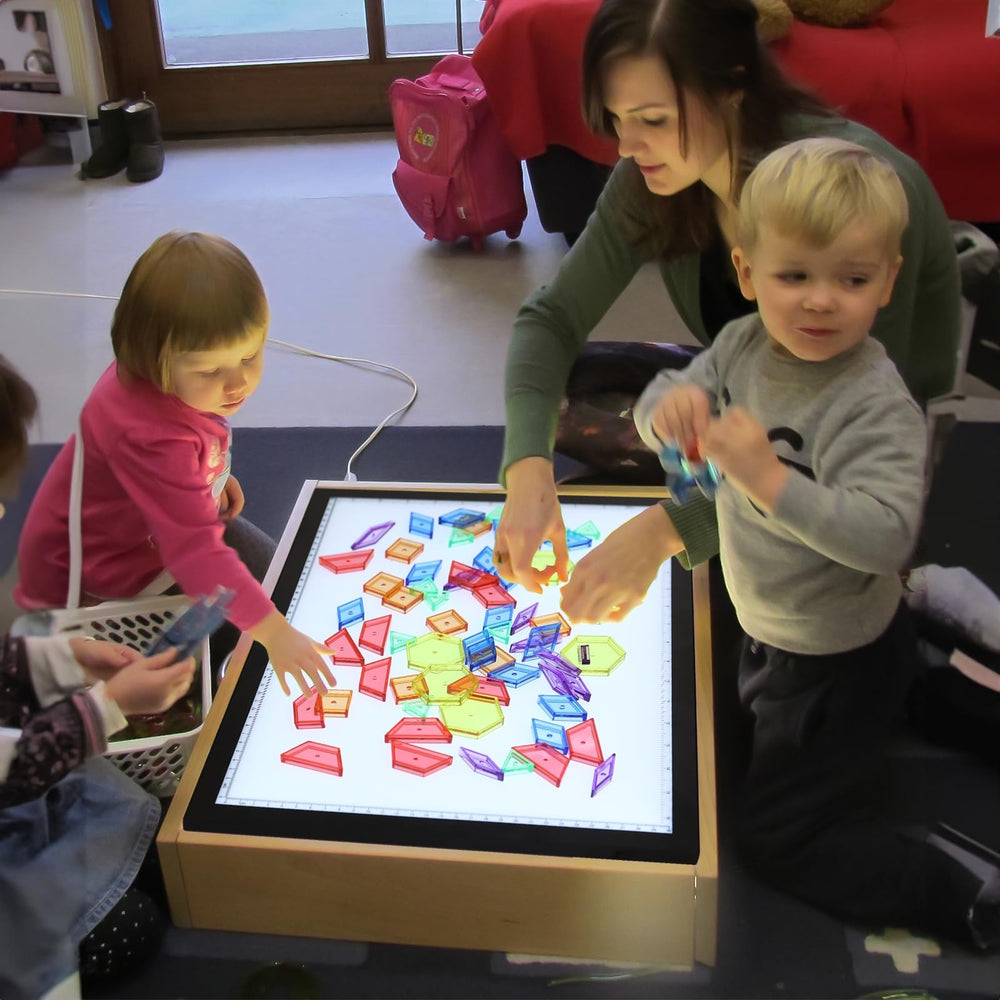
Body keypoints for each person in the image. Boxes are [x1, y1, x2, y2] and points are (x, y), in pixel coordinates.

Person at [630, 135, 999, 950]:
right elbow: (664, 396)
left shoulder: (874, 401)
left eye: (852, 279)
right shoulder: (740, 347)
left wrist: (767, 481)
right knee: (715, 732)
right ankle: (933, 692)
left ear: (888, 282)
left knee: (776, 835)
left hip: (833, 655)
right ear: (747, 272)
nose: (820, 301)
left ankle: (962, 897)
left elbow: (887, 534)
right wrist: (668, 414)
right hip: (794, 630)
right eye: (794, 276)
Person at [494, 0, 960, 624]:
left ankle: (717, 512)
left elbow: (834, 426)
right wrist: (526, 474)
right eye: (616, 118)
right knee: (566, 395)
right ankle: (706, 497)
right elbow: (549, 320)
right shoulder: (655, 175)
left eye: (652, 119)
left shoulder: (848, 196)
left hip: (857, 428)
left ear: (734, 85)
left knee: (806, 589)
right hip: (758, 378)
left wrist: (666, 532)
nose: (627, 145)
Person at [14, 231, 334, 698]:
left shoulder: (165, 382)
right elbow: (195, 554)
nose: (238, 382)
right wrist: (273, 634)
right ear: (153, 361)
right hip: (110, 579)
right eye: (210, 371)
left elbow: (176, 455)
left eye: (250, 354)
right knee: (236, 665)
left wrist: (210, 476)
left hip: (154, 535)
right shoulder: (148, 435)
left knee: (289, 588)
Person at [0, 354, 198, 999]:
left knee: (145, 840)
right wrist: (107, 706)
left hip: (22, 772)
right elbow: (17, 765)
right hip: (13, 786)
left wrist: (64, 659)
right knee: (127, 928)